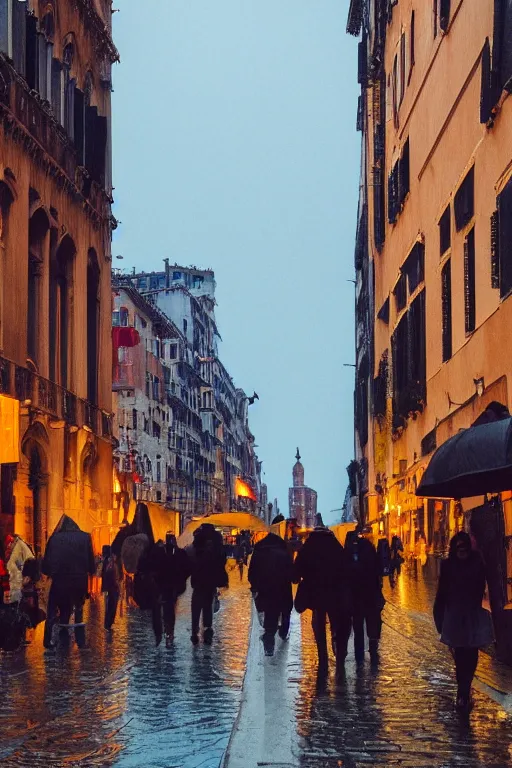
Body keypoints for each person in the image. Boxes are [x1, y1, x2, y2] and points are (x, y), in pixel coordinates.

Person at [433, 531, 494, 711]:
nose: (462, 552)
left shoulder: (477, 563)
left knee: (471, 654)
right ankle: (463, 691)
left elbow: (481, 586)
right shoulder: (449, 565)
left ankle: (464, 690)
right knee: (461, 655)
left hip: (471, 614)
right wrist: (439, 615)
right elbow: (442, 592)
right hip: (456, 615)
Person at [293, 517, 351, 676]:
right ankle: (339, 657)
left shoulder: (308, 547)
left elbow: (296, 572)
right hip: (335, 593)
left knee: (318, 624)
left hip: (316, 594)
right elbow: (345, 568)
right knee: (336, 624)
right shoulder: (336, 546)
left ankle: (323, 657)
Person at [42, 515, 95, 650]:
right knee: (78, 611)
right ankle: (80, 640)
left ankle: (48, 640)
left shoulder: (54, 539)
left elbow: (46, 566)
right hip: (79, 581)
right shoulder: (85, 537)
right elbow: (91, 564)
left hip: (59, 581)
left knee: (52, 610)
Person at [141, 533, 191, 647]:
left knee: (164, 610)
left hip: (166, 587)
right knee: (165, 611)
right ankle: (167, 633)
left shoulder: (167, 553)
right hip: (164, 586)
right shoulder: (170, 554)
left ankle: (166, 633)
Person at [249, 532, 293, 656]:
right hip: (283, 588)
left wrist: (255, 586)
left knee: (270, 614)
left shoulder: (260, 551)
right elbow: (292, 573)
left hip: (266, 588)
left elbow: (252, 572)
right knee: (285, 610)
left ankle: (269, 643)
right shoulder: (284, 552)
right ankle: (283, 632)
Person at [346, 527, 384, 665]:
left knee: (358, 627)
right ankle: (373, 652)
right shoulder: (368, 547)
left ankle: (359, 656)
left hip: (356, 596)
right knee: (372, 622)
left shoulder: (348, 552)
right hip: (371, 593)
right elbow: (378, 568)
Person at [187, 523, 228, 646]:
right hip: (210, 581)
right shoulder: (216, 543)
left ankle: (195, 633)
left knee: (196, 607)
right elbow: (222, 560)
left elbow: (190, 559)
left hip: (198, 581)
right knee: (207, 607)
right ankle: (207, 631)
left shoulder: (198, 542)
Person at [101, 544, 120, 633]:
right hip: (112, 588)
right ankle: (108, 624)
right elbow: (113, 577)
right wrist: (117, 586)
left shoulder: (105, 562)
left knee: (109, 606)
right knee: (111, 606)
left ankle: (108, 623)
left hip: (108, 588)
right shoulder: (110, 564)